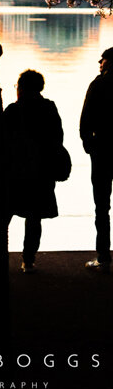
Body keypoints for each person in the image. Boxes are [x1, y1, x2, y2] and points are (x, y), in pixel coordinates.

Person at [5, 70, 63, 273]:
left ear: (21, 88)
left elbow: (2, 140)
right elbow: (58, 138)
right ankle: (28, 260)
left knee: (4, 215)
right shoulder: (49, 108)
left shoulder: (13, 110)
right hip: (42, 171)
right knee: (34, 217)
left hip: (15, 172)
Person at [80, 47, 113, 273]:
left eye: (102, 60)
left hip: (102, 151)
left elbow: (86, 119)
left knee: (102, 207)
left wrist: (88, 144)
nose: (99, 63)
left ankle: (103, 256)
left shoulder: (98, 85)